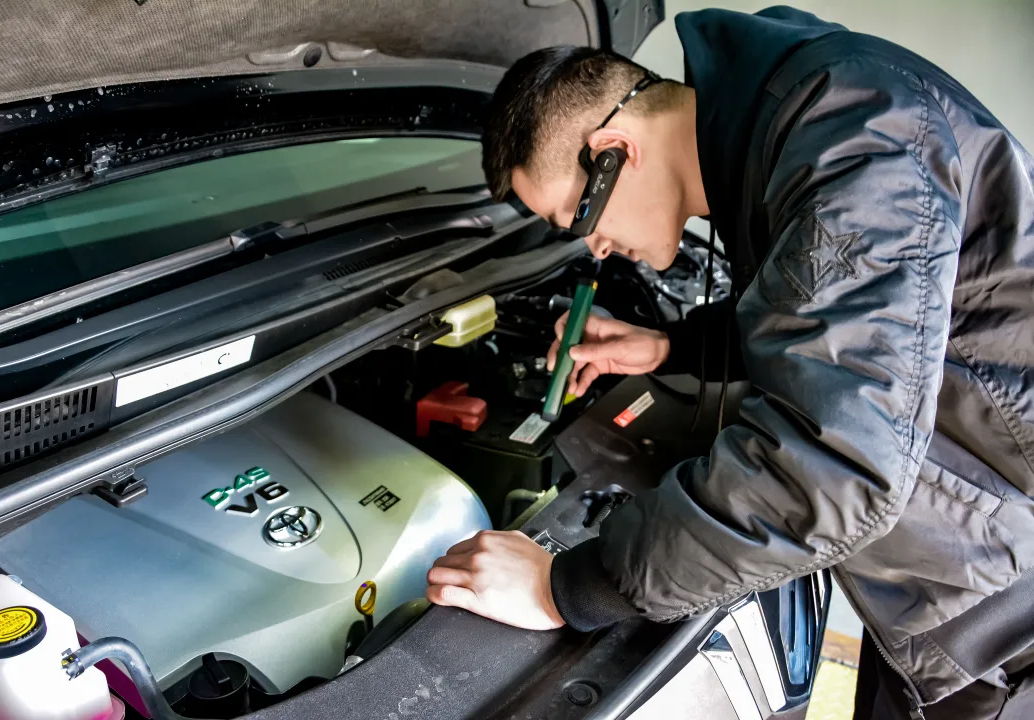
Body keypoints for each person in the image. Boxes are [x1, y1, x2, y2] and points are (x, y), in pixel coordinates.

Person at [423, 6, 1034, 720]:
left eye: (576, 221)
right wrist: (673, 347)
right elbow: (840, 323)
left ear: (615, 152)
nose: (591, 250)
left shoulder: (855, 140)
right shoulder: (785, 123)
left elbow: (829, 470)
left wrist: (568, 586)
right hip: (948, 553)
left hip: (1005, 602)